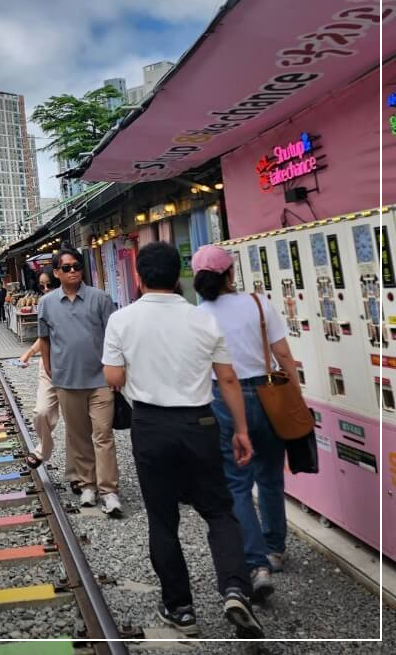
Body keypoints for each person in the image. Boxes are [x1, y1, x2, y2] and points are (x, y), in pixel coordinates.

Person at [103, 242, 262, 639]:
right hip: (201, 423)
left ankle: (181, 608)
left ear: (138, 278)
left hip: (151, 427)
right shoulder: (203, 319)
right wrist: (240, 430)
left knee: (162, 518)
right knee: (219, 511)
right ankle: (235, 588)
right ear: (178, 278)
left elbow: (113, 379)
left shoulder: (122, 320)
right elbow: (227, 379)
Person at [192, 244, 300, 600]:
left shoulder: (200, 314)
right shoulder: (258, 303)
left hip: (223, 397)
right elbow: (283, 354)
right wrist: (294, 395)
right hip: (267, 394)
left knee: (236, 482)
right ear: (229, 274)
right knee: (270, 475)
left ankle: (256, 564)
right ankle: (276, 549)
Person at [37, 246, 121, 515]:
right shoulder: (47, 303)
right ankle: (88, 485)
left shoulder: (100, 298)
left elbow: (112, 337)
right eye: (66, 268)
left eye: (76, 266)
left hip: (100, 380)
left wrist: (115, 371)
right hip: (67, 381)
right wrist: (50, 369)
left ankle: (109, 490)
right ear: (57, 272)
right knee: (79, 437)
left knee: (103, 435)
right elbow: (45, 339)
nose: (73, 271)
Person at [21, 267, 78, 490]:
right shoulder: (46, 305)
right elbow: (44, 337)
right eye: (42, 286)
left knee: (75, 425)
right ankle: (43, 450)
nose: (45, 290)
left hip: (73, 369)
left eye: (49, 285)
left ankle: (76, 475)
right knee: (41, 412)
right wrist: (29, 353)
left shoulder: (74, 304)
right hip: (49, 369)